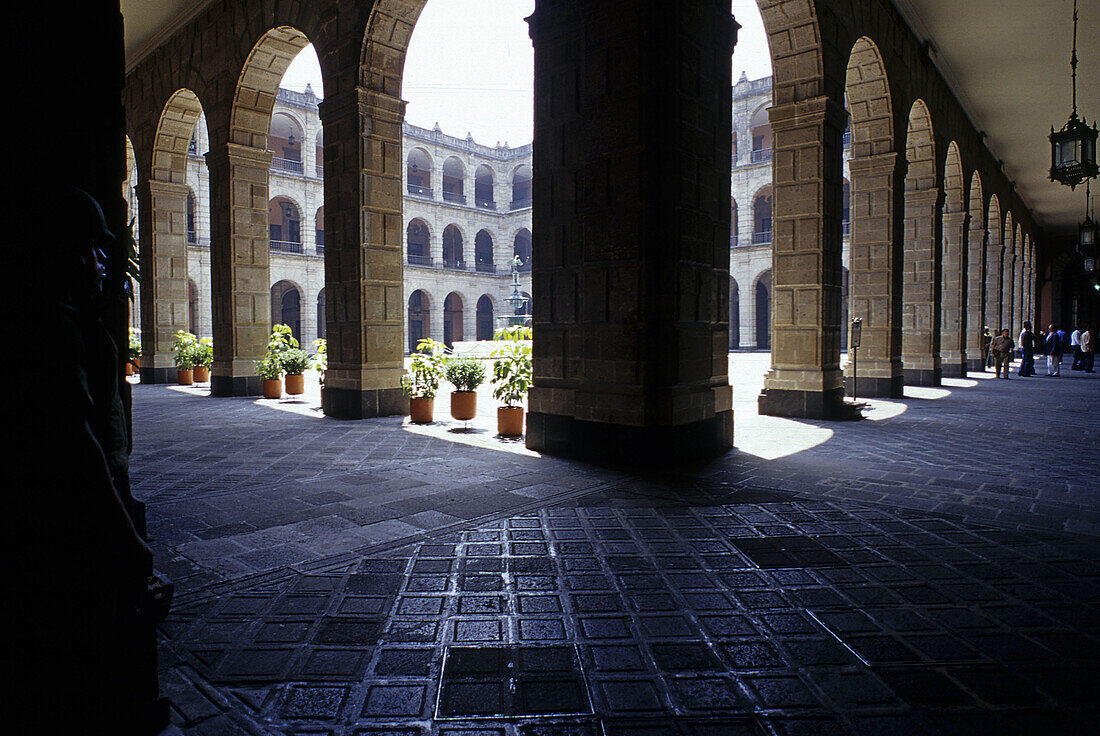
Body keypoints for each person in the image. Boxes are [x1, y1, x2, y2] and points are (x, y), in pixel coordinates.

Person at [11, 185, 154, 732]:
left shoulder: (71, 317)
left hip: (101, 493)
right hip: (82, 510)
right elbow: (76, 436)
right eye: (91, 249)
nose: (102, 260)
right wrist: (127, 531)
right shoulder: (54, 328)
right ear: (61, 254)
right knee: (92, 620)